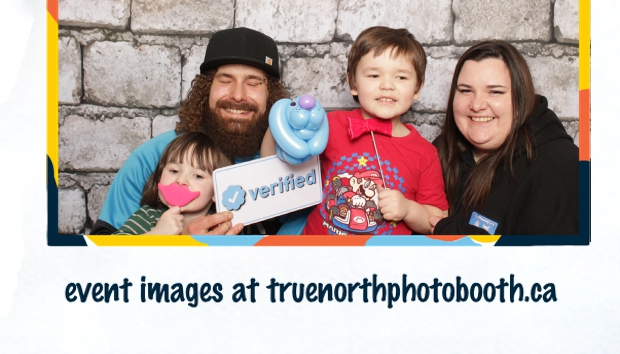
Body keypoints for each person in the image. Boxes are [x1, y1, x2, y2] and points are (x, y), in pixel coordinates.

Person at [93, 27, 310, 237]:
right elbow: (101, 247)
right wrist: (184, 243)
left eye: (253, 83)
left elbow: (300, 245)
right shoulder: (153, 156)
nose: (238, 95)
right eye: (225, 81)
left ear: (271, 95)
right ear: (206, 89)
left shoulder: (292, 165)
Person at [284, 27, 447, 238]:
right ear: (353, 83)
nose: (387, 85)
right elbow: (289, 168)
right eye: (374, 75)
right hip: (318, 252)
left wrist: (408, 209)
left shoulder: (425, 153)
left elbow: (437, 219)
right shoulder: (331, 125)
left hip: (380, 258)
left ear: (417, 89)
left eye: (401, 77)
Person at [432, 40, 580, 236]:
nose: (476, 105)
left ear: (521, 98)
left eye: (495, 92)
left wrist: (447, 231)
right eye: (466, 90)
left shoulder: (559, 169)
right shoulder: (437, 151)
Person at [118, 133, 239, 236]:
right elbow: (112, 252)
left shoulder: (223, 226)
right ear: (159, 177)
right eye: (174, 171)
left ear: (217, 191)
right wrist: (156, 235)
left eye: (198, 176)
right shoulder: (148, 216)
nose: (181, 180)